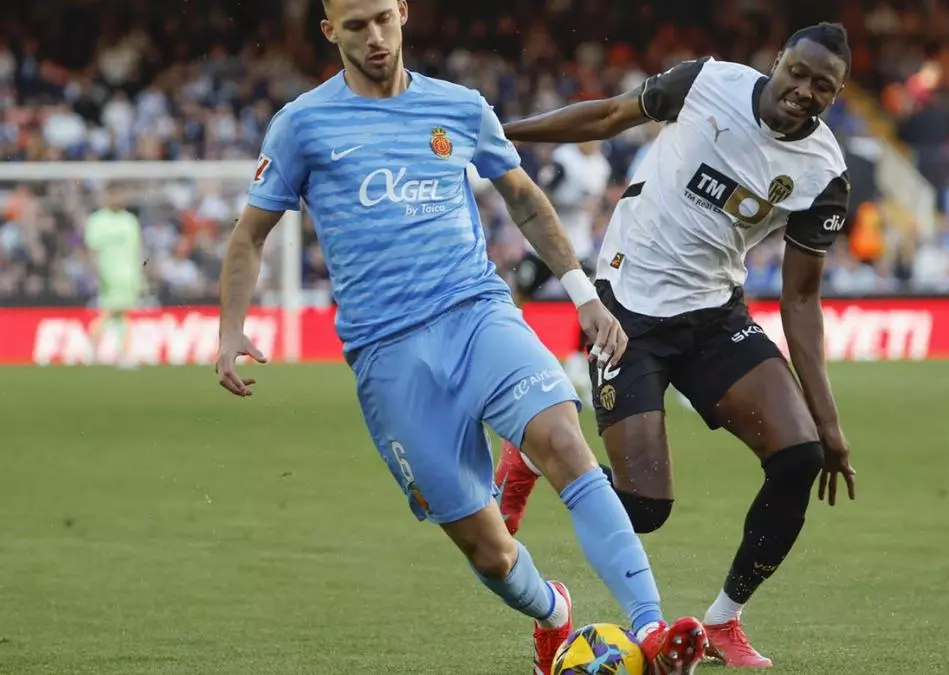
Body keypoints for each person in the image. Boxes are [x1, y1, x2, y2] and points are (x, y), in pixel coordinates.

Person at [212, 1, 707, 673]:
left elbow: (524, 197)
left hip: (478, 313)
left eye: (383, 18)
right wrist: (231, 329)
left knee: (565, 443)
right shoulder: (302, 124)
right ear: (329, 31)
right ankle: (553, 612)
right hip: (388, 355)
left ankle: (651, 629)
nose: (375, 37)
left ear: (403, 12)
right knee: (490, 550)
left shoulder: (460, 106)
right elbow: (250, 235)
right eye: (355, 25)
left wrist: (584, 295)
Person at [493, 22, 859, 668]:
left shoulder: (824, 172)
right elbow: (609, 116)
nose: (805, 90)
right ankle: (534, 452)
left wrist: (829, 423)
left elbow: (801, 300)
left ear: (836, 95)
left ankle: (722, 621)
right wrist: (502, 135)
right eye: (798, 72)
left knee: (800, 455)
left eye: (823, 86)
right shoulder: (707, 83)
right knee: (645, 507)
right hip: (626, 308)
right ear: (778, 60)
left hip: (714, 315)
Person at [512, 140, 613, 402]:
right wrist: (574, 203)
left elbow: (596, 205)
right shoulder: (564, 159)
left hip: (577, 248)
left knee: (589, 301)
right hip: (544, 245)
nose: (595, 142)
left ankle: (578, 363)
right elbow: (542, 197)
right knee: (519, 297)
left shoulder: (601, 166)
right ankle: (511, 351)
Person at [84, 183, 143, 368]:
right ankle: (93, 344)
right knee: (112, 312)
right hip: (108, 275)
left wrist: (141, 275)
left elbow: (136, 250)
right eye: (114, 195)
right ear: (106, 197)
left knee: (122, 315)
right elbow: (92, 250)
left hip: (129, 277)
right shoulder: (97, 220)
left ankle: (119, 353)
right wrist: (96, 272)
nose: (118, 199)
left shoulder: (130, 221)